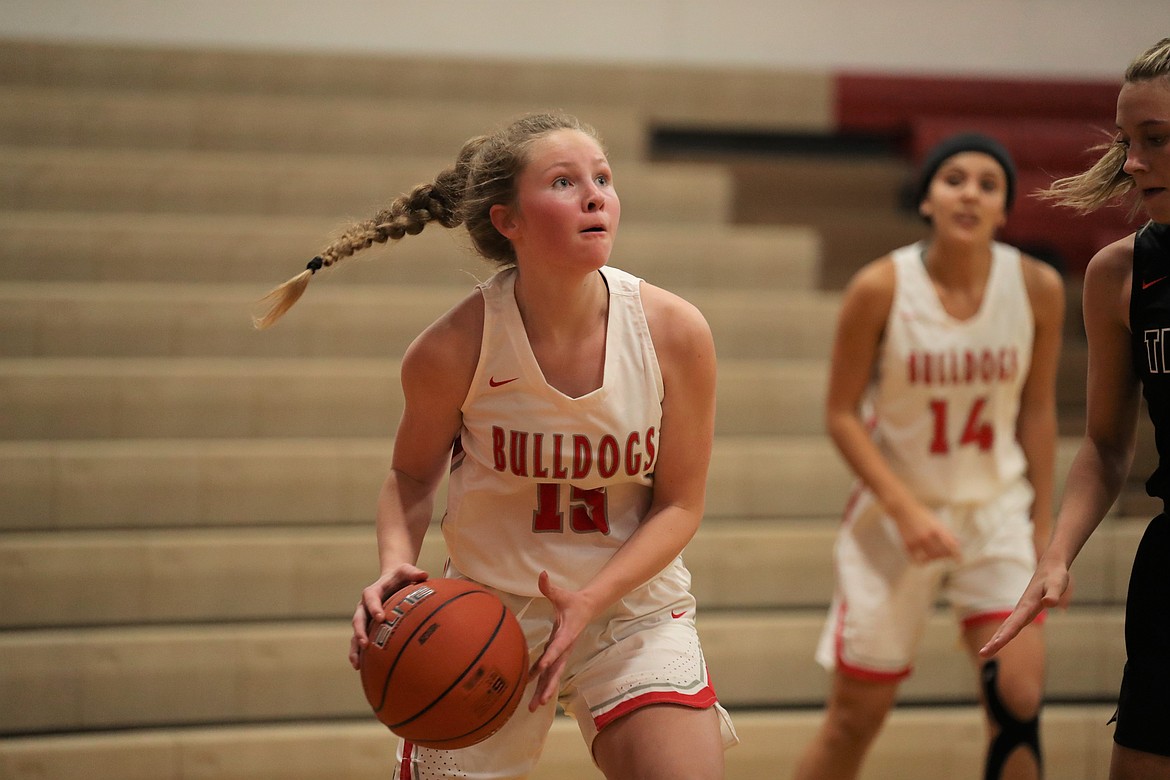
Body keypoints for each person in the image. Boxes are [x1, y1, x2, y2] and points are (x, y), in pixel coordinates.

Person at [255, 111, 738, 780]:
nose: (595, 195)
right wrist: (396, 565)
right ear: (508, 220)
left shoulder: (676, 332)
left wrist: (591, 601)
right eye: (565, 182)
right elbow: (410, 476)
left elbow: (680, 504)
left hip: (628, 610)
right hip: (486, 619)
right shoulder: (452, 347)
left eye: (602, 178)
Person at [794, 133, 1066, 780]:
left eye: (988, 183)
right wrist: (905, 508)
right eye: (953, 179)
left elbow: (1038, 410)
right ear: (926, 201)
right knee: (854, 719)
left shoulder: (1037, 286)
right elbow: (839, 414)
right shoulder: (880, 287)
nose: (969, 192)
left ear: (1004, 209)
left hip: (996, 507)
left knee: (1018, 700)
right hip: (897, 511)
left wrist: (1044, 532)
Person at [980, 38, 1170, 779]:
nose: (1131, 163)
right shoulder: (1121, 273)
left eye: (1156, 140)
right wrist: (1054, 556)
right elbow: (1105, 445)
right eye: (1128, 142)